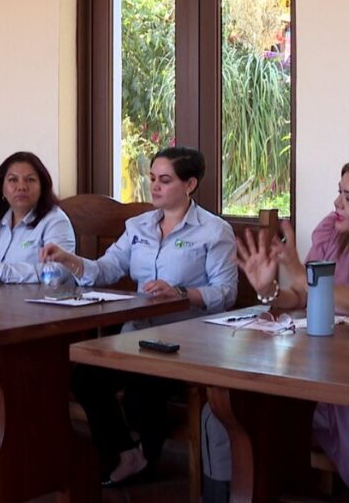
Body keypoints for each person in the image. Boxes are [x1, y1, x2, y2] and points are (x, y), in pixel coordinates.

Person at [211, 158, 349, 498]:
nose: (337, 204)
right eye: (338, 193)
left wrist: (305, 276)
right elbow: (301, 295)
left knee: (277, 406)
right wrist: (268, 288)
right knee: (246, 397)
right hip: (327, 358)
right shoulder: (333, 233)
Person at [40, 146, 238, 487]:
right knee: (85, 378)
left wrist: (183, 293)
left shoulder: (213, 231)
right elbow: (105, 269)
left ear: (189, 184)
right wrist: (68, 259)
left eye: (165, 180)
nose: (155, 187)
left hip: (186, 339)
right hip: (135, 334)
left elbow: (226, 292)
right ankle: (125, 453)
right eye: (152, 179)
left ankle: (147, 456)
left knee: (141, 390)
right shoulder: (138, 226)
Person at [0, 151, 75, 282]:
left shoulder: (56, 221)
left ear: (42, 187)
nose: (22, 187)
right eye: (13, 180)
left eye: (30, 180)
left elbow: (58, 272)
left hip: (39, 300)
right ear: (2, 189)